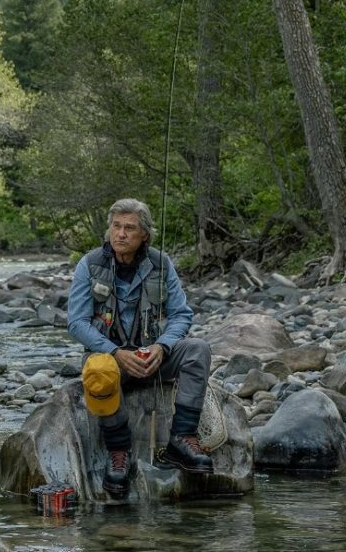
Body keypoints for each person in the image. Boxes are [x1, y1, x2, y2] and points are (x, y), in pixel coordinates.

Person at [67, 198, 214, 499]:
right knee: (98, 368)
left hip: (154, 357)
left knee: (198, 349)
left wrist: (163, 346)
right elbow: (77, 323)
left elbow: (182, 314)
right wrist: (115, 352)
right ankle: (119, 453)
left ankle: (182, 439)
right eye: (116, 226)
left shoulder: (162, 264)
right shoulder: (89, 264)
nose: (120, 234)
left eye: (130, 228)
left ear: (145, 235)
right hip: (112, 360)